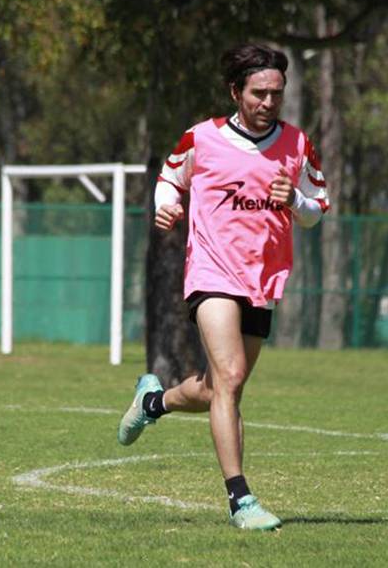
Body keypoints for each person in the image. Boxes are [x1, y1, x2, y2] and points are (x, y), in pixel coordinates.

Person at [117, 44, 329, 530]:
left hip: (263, 278)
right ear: (236, 92)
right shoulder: (202, 138)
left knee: (219, 388)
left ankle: (153, 402)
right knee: (230, 377)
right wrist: (166, 206)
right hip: (212, 272)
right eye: (259, 93)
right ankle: (241, 500)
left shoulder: (298, 145)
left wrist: (295, 199)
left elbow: (317, 210)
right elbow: (170, 179)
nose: (269, 103)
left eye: (277, 93)